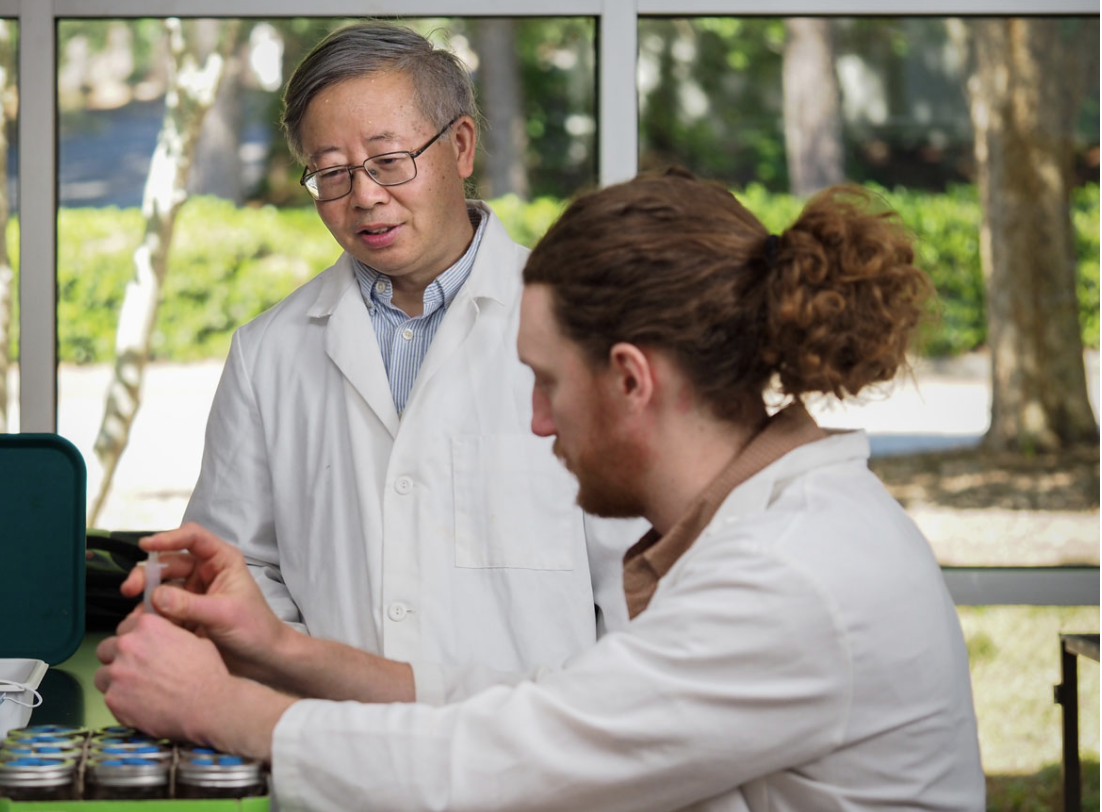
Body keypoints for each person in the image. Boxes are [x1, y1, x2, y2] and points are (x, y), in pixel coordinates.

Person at [97, 170, 986, 811]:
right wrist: (282, 652)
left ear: (631, 379)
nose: (534, 421)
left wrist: (222, 708)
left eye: (546, 381)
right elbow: (549, 703)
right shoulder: (775, 530)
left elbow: (506, 762)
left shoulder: (785, 575)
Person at [182, 21, 642, 688]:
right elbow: (233, 566)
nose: (364, 196)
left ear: (460, 145)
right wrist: (320, 684)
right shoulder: (269, 352)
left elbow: (637, 573)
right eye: (332, 173)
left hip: (538, 762)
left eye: (389, 161)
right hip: (341, 758)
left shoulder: (588, 322)